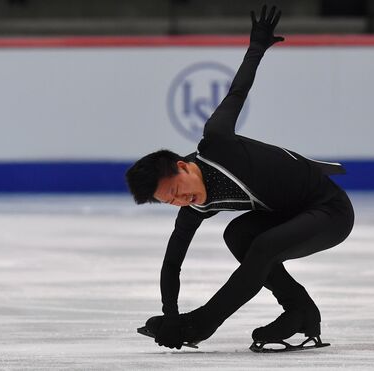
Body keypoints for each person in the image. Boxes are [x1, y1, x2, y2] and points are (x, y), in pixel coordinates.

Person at [126, 5, 354, 350]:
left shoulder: (217, 143)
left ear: (183, 167)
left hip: (329, 211)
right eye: (169, 201)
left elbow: (237, 92)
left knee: (261, 244)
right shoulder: (193, 207)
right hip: (289, 213)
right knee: (239, 234)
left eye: (175, 190)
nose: (179, 201)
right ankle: (300, 311)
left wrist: (257, 48)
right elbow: (172, 261)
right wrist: (170, 315)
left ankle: (204, 323)